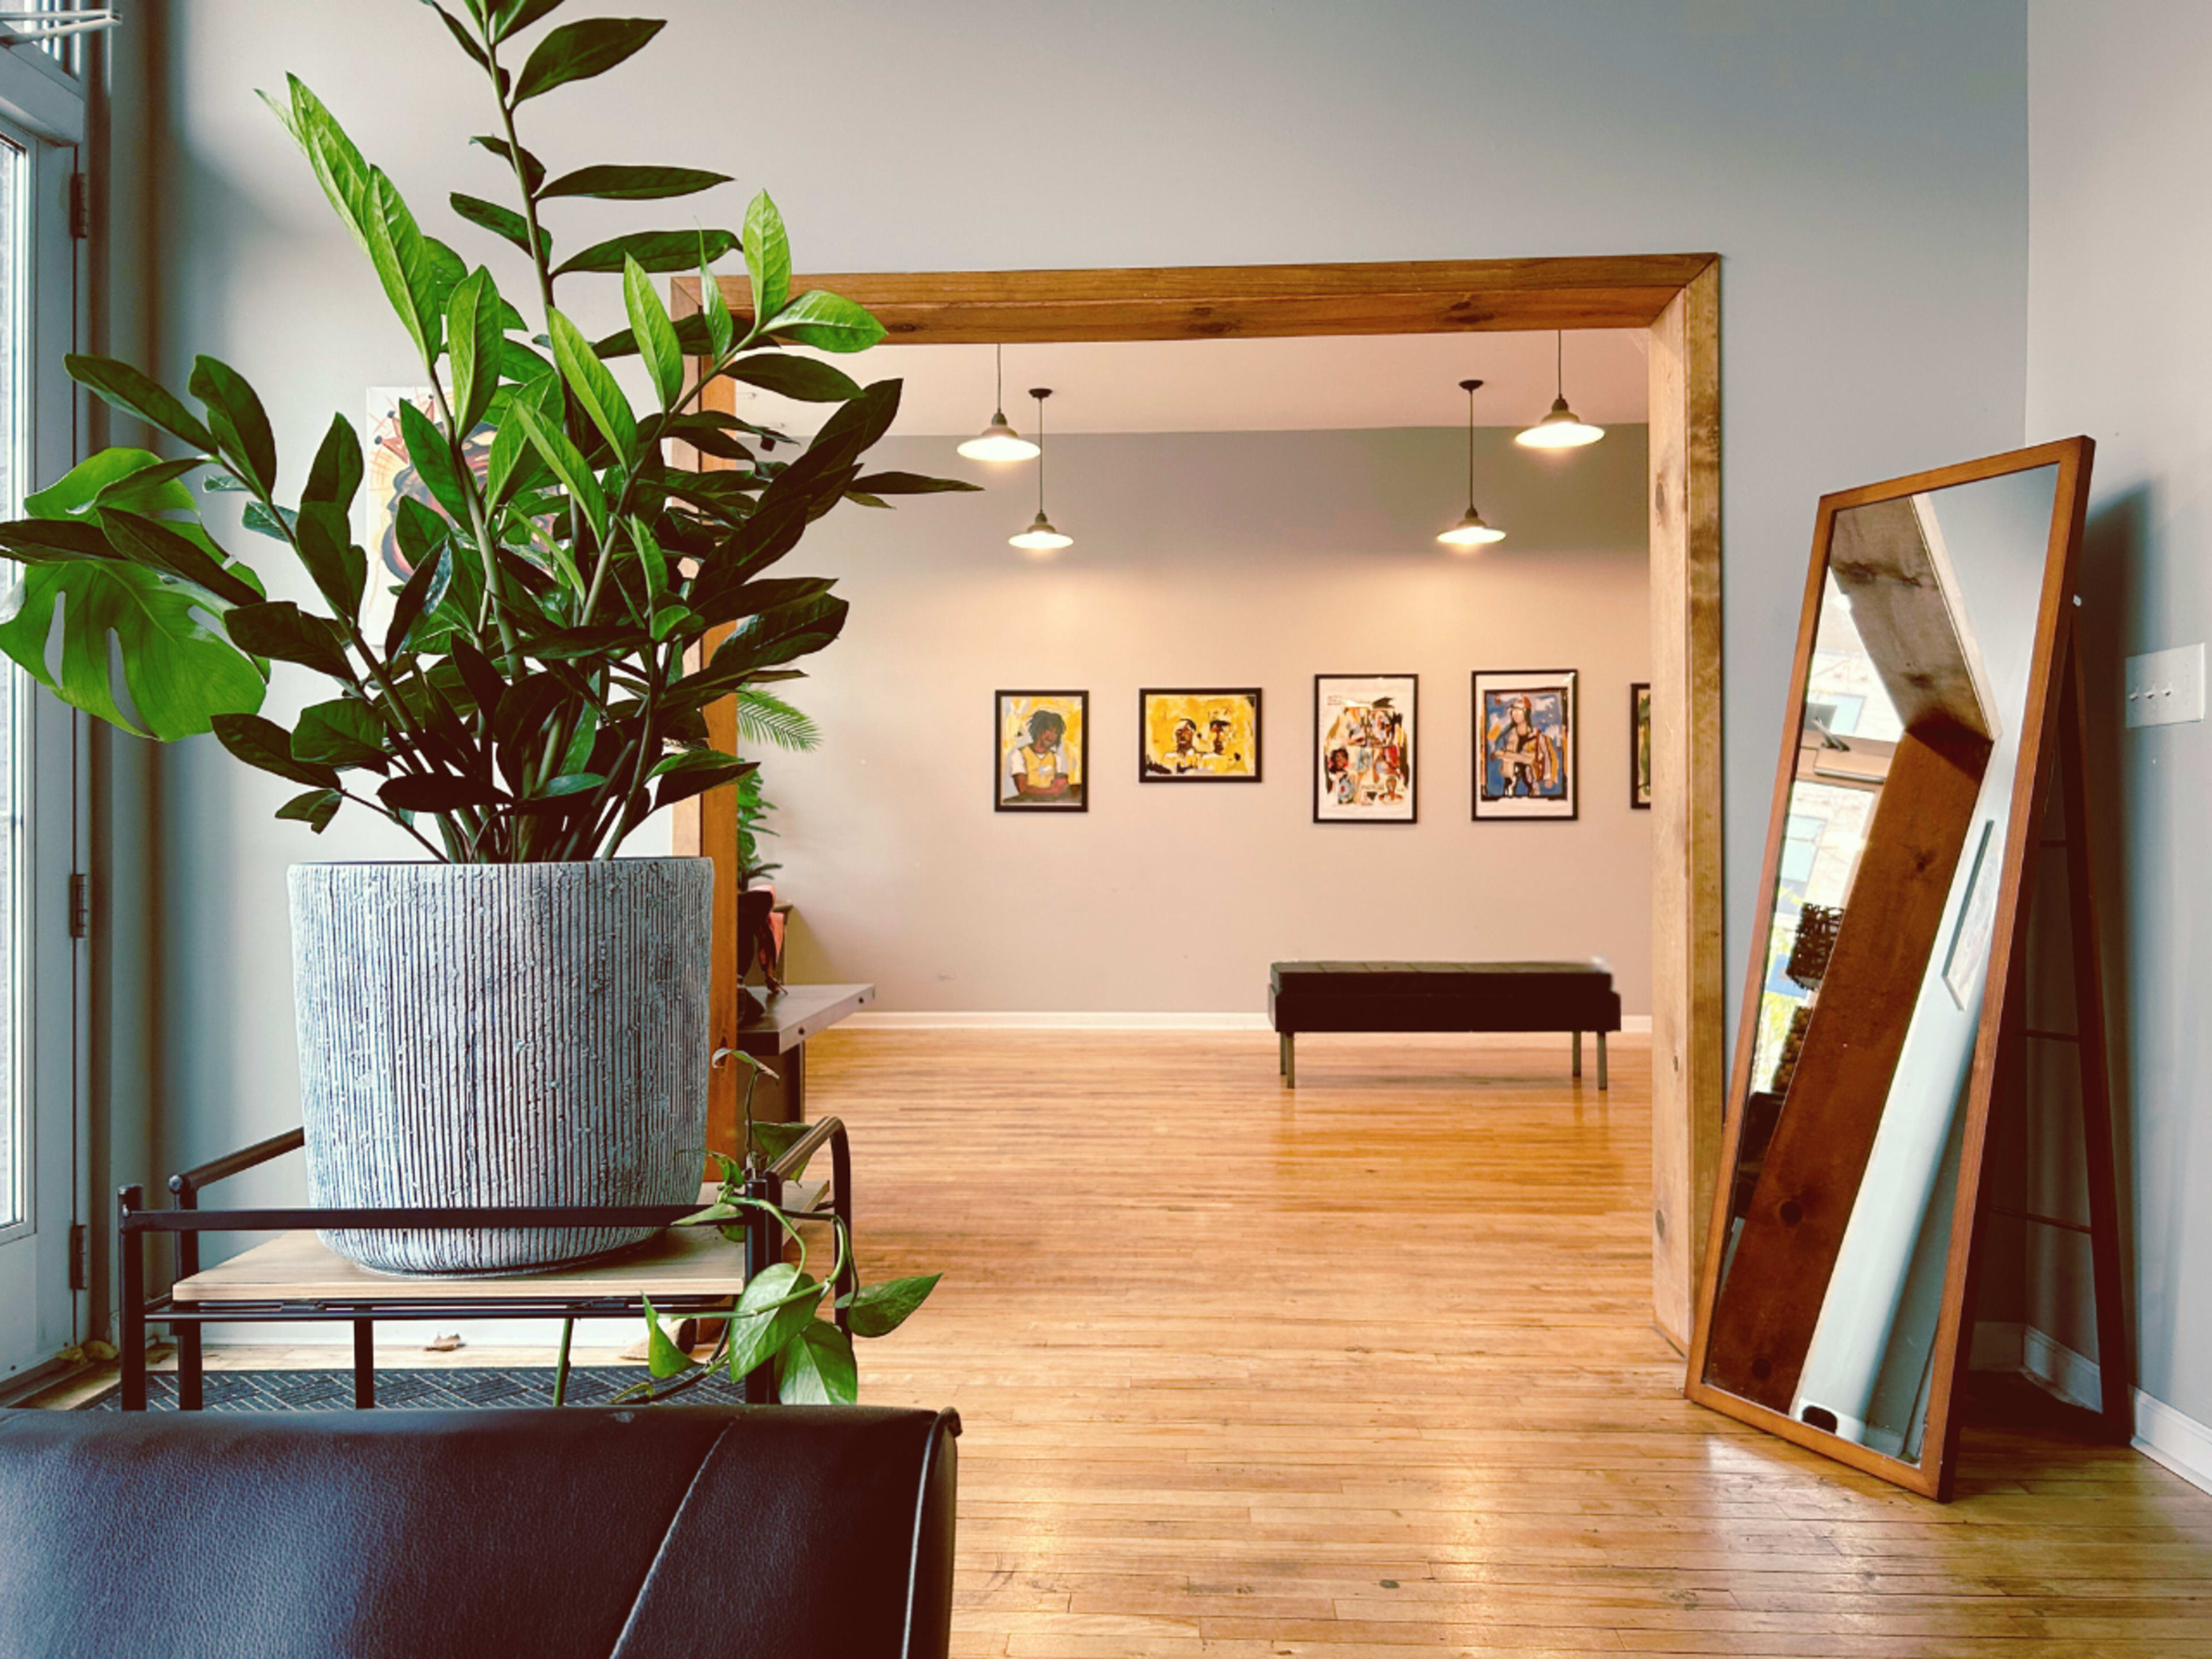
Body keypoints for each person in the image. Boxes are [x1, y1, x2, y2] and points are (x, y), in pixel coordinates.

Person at [1492, 695, 1559, 797]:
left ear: (1527, 712)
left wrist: (1549, 777)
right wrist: (1509, 756)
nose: (1515, 714)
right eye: (1513, 710)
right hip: (1511, 782)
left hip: (1531, 783)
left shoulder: (1538, 736)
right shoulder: (1508, 736)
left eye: (1519, 710)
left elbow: (1549, 756)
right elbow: (1497, 751)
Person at [1009, 707, 1075, 801]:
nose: (1052, 736)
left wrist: (1062, 785)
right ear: (1039, 730)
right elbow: (1023, 789)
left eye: (1056, 733)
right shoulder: (1019, 755)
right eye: (1049, 730)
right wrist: (1052, 791)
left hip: (1052, 803)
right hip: (1027, 804)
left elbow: (1060, 786)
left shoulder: (1056, 758)